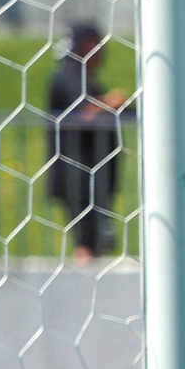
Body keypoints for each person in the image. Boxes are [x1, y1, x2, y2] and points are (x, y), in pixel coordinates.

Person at [46, 22, 127, 264]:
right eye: (95, 44)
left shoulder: (83, 80)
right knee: (86, 241)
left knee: (99, 239)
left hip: (94, 174)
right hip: (78, 174)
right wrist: (114, 101)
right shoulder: (68, 76)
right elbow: (84, 110)